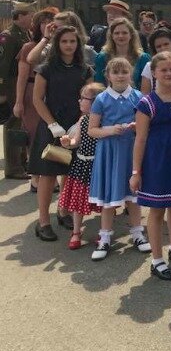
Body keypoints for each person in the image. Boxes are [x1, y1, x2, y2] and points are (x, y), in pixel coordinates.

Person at [131, 52, 171, 280]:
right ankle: (156, 260)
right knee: (157, 210)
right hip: (158, 162)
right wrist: (136, 172)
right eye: (164, 70)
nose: (169, 73)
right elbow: (140, 139)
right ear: (154, 73)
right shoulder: (147, 103)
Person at [28, 25, 93, 241]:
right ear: (57, 43)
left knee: (70, 172)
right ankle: (43, 221)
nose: (68, 45)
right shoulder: (46, 68)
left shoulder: (85, 70)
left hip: (76, 126)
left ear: (78, 44)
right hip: (51, 126)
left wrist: (81, 123)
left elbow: (90, 99)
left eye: (72, 41)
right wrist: (52, 124)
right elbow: (37, 99)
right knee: (48, 174)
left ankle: (63, 211)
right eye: (64, 41)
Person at [87, 57, 150, 261]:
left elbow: (146, 125)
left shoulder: (139, 97)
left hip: (131, 151)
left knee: (133, 197)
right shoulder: (101, 99)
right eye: (116, 72)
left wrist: (135, 126)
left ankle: (137, 234)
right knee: (108, 200)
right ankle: (105, 238)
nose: (120, 76)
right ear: (108, 76)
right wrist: (110, 129)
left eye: (124, 72)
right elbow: (92, 130)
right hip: (109, 152)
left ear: (130, 74)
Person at [14, 7, 58, 192]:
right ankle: (35, 177)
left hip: (53, 92)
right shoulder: (29, 47)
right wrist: (18, 101)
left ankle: (49, 174)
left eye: (51, 22)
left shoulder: (60, 46)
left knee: (51, 135)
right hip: (32, 92)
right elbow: (22, 77)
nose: (47, 25)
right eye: (43, 22)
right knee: (34, 136)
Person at [57, 82, 106, 249]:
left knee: (103, 203)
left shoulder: (104, 121)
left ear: (95, 102)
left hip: (98, 166)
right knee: (78, 201)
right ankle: (76, 232)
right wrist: (67, 142)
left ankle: (104, 232)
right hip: (81, 165)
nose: (79, 101)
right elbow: (75, 141)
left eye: (83, 98)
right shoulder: (83, 120)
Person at [1, 0, 35, 180]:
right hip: (11, 85)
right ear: (20, 16)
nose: (32, 18)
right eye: (30, 15)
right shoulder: (9, 36)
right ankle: (13, 167)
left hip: (18, 84)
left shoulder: (24, 34)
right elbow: (3, 66)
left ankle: (22, 163)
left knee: (20, 124)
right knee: (12, 125)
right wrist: (2, 92)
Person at [27, 11, 97, 67]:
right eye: (54, 27)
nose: (55, 30)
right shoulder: (51, 49)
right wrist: (46, 38)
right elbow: (31, 59)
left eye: (59, 28)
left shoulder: (87, 50)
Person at [93, 18, 151, 86]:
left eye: (124, 33)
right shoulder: (102, 57)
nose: (121, 36)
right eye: (117, 33)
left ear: (131, 35)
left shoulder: (143, 58)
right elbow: (99, 85)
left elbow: (146, 87)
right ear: (112, 36)